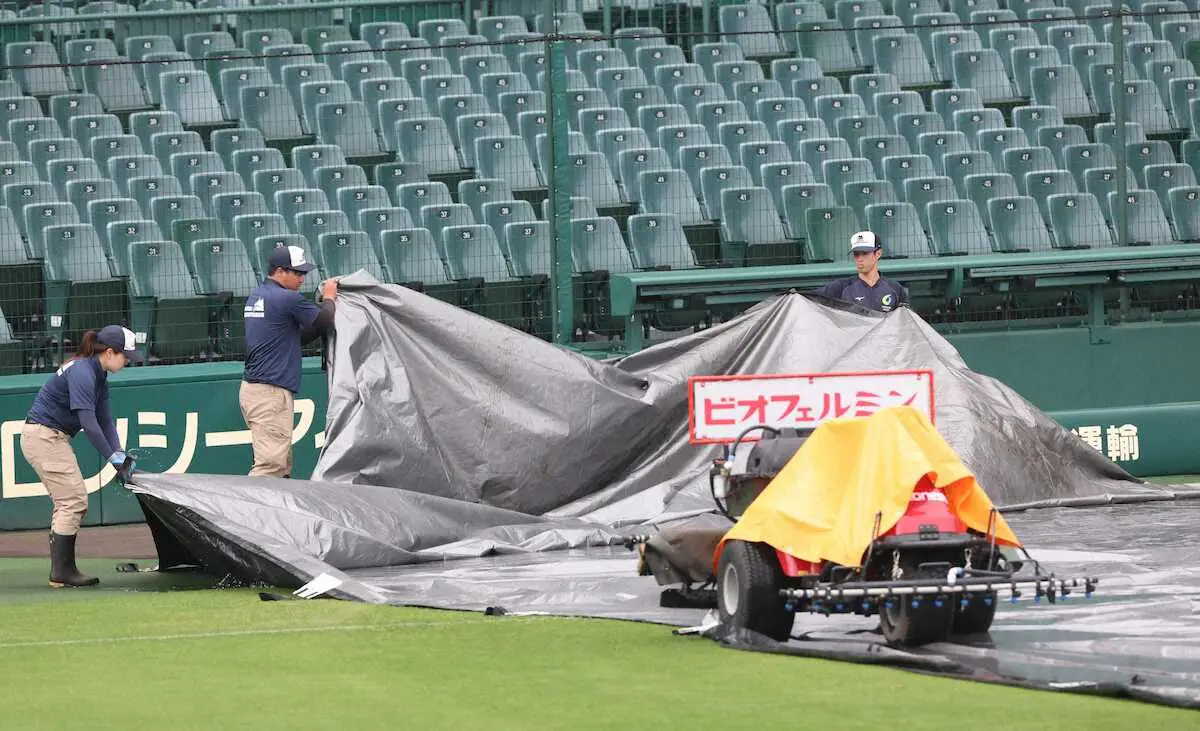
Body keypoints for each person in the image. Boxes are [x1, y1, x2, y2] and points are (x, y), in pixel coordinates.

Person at [22, 325, 142, 588]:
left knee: (72, 500)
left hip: (51, 436)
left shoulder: (98, 375)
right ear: (109, 352)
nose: (127, 362)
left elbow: (106, 421)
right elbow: (89, 424)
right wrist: (114, 460)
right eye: (125, 356)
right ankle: (62, 572)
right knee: (72, 501)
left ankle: (63, 570)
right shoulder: (83, 373)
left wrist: (119, 454)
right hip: (43, 437)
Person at [241, 245, 337, 478]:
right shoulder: (286, 298)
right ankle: (251, 514)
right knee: (270, 467)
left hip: (257, 389)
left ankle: (275, 513)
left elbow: (296, 337)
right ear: (280, 271)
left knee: (280, 466)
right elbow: (325, 319)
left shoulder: (258, 294)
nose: (302, 278)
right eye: (297, 273)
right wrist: (329, 297)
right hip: (269, 392)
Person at [812, 231, 909, 313]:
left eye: (865, 253)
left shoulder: (895, 289)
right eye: (856, 254)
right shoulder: (841, 287)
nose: (859, 259)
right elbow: (809, 300)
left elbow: (906, 322)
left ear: (878, 254)